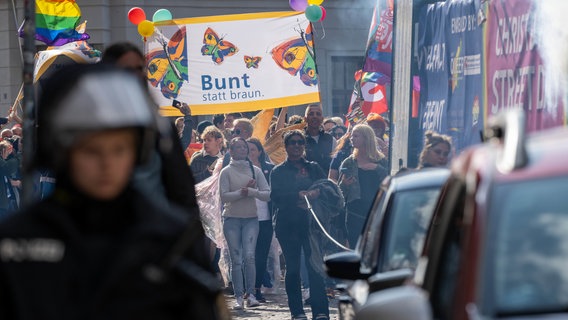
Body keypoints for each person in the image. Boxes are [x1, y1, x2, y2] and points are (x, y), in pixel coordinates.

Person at [0, 64, 228, 319]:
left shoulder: (171, 239)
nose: (106, 163)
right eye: (92, 150)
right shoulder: (18, 242)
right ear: (60, 151)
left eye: (119, 149)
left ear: (138, 153)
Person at [102, 42, 199, 216]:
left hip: (155, 225)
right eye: (127, 70)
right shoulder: (94, 122)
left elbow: (179, 180)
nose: (136, 76)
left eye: (139, 69)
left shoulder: (157, 124)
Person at [270, 130, 330, 320]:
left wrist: (316, 193)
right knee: (294, 268)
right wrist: (298, 195)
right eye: (292, 143)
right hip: (288, 225)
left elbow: (327, 188)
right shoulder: (278, 171)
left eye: (300, 143)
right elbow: (276, 198)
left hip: (312, 224)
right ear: (286, 147)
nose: (296, 146)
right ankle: (297, 311)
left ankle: (320, 311)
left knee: (315, 267)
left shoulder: (314, 168)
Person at [220, 138, 271, 310]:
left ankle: (251, 294)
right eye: (238, 147)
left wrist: (251, 191)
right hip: (232, 218)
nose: (242, 150)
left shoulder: (255, 170)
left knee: (250, 257)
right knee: (236, 259)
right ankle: (239, 296)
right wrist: (242, 193)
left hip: (251, 218)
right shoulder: (226, 171)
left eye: (244, 147)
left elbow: (266, 194)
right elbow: (224, 196)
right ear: (231, 151)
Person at [338, 124, 388, 248]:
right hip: (354, 210)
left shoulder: (381, 160)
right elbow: (340, 191)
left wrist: (377, 168)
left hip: (376, 209)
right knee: (356, 247)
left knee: (376, 247)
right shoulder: (349, 162)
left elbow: (390, 180)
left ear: (366, 138)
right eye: (352, 136)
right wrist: (344, 184)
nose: (352, 138)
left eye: (356, 135)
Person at [247, 137, 275, 302]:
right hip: (245, 217)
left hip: (265, 218)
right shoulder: (238, 169)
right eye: (247, 149)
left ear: (259, 151)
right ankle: (247, 289)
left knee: (261, 255)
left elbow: (275, 193)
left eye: (253, 150)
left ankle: (257, 288)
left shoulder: (269, 169)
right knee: (247, 255)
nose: (250, 153)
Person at [304, 104, 336, 176]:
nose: (315, 116)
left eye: (318, 114)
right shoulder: (299, 140)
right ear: (305, 119)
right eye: (311, 114)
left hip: (326, 185)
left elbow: (335, 166)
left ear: (322, 119)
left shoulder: (331, 140)